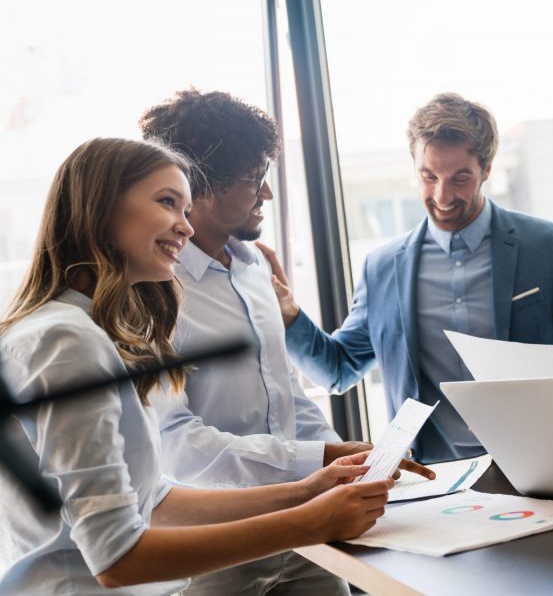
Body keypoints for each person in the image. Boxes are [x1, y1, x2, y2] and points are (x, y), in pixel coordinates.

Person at [0, 138, 392, 595]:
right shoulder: (66, 339)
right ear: (100, 206)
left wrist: (306, 490)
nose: (185, 229)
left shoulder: (85, 331)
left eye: (186, 210)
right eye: (168, 203)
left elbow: (155, 501)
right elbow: (116, 558)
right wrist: (310, 523)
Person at [139, 88, 430, 596]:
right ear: (198, 191)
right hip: (215, 546)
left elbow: (287, 395)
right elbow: (177, 444)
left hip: (304, 527)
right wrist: (317, 459)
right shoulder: (156, 292)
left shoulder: (254, 269)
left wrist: (347, 462)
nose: (266, 195)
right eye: (254, 181)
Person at [264, 92, 553, 463]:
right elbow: (338, 369)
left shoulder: (548, 246)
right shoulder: (382, 267)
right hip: (434, 479)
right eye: (428, 177)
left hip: (544, 461)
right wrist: (289, 314)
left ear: (486, 169)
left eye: (460, 179)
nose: (442, 195)